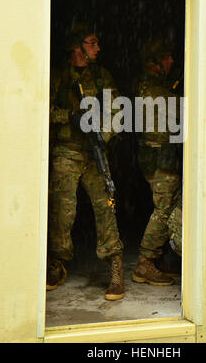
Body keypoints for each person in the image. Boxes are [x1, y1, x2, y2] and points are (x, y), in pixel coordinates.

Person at [47, 23, 124, 301]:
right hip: (66, 152)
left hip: (94, 154)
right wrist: (69, 116)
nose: (98, 48)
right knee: (61, 212)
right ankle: (56, 262)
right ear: (76, 47)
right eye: (92, 42)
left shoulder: (102, 77)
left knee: (107, 208)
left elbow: (117, 112)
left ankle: (115, 265)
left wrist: (100, 134)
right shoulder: (57, 77)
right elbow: (41, 109)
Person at [132, 38, 183, 286]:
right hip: (160, 161)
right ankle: (145, 262)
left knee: (166, 207)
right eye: (167, 56)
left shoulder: (153, 86)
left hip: (160, 159)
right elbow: (183, 111)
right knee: (163, 211)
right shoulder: (152, 90)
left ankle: (158, 258)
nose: (171, 61)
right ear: (155, 60)